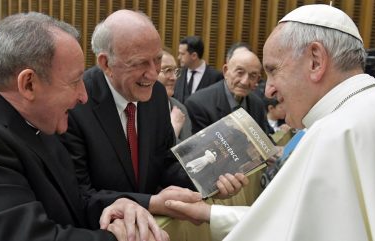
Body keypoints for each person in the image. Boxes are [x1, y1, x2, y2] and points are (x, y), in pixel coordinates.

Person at [0, 12, 169, 241]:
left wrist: (120, 206)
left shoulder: (37, 126)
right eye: (74, 82)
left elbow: (75, 201)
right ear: (28, 84)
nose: (83, 96)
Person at [164, 4, 375, 241]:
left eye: (273, 70)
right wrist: (212, 213)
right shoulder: (372, 107)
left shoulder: (334, 133)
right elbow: (296, 221)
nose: (268, 90)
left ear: (315, 61)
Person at [61, 9, 246, 223]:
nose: (153, 73)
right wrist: (150, 202)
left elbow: (165, 164)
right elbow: (80, 196)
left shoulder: (156, 94)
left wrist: (209, 182)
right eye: (140, 63)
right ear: (106, 63)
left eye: (157, 60)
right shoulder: (75, 104)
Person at [184, 42, 268, 134]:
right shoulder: (198, 104)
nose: (245, 82)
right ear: (225, 71)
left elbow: (263, 140)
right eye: (240, 73)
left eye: (253, 76)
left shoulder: (257, 105)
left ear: (258, 79)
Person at [173, 36, 223, 103]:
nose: (178, 57)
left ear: (194, 56)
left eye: (182, 54)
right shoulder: (177, 74)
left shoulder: (216, 77)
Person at [158, 48, 192, 142]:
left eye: (175, 71)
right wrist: (174, 130)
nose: (174, 78)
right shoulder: (137, 108)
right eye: (168, 70)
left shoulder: (180, 108)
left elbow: (186, 152)